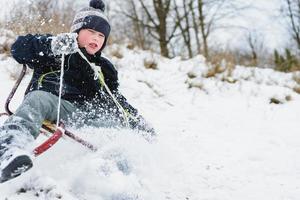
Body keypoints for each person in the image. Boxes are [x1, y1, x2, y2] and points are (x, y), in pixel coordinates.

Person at [0, 0, 154, 183]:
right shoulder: (57, 48)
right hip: (53, 103)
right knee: (38, 99)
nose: (96, 38)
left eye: (101, 35)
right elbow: (19, 48)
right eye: (90, 32)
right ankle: (9, 150)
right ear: (77, 31)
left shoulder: (103, 68)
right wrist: (53, 45)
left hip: (85, 116)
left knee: (117, 129)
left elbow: (116, 101)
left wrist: (139, 123)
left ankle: (121, 181)